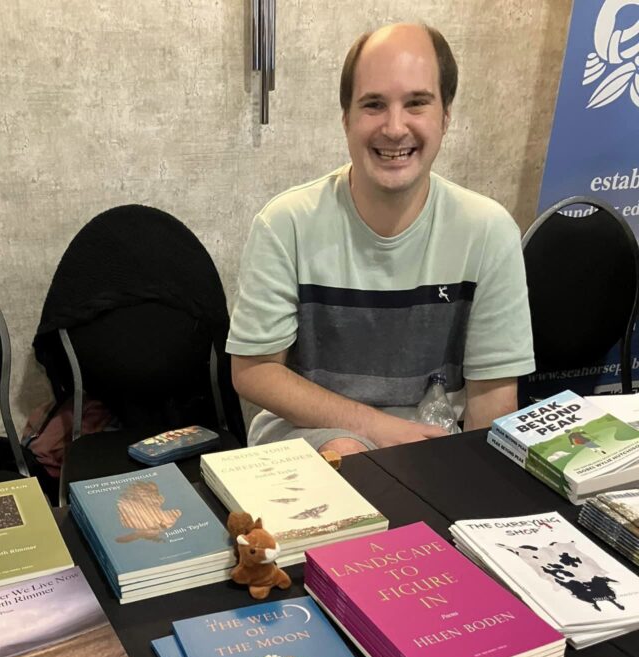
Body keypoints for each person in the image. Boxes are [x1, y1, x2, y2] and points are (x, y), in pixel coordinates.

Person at [226, 23, 535, 456]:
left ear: (445, 116)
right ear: (346, 119)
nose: (394, 127)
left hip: (436, 449)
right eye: (373, 105)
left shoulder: (489, 230)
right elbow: (254, 371)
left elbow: (492, 399)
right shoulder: (285, 223)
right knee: (349, 450)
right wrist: (378, 429)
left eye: (416, 103)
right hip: (309, 436)